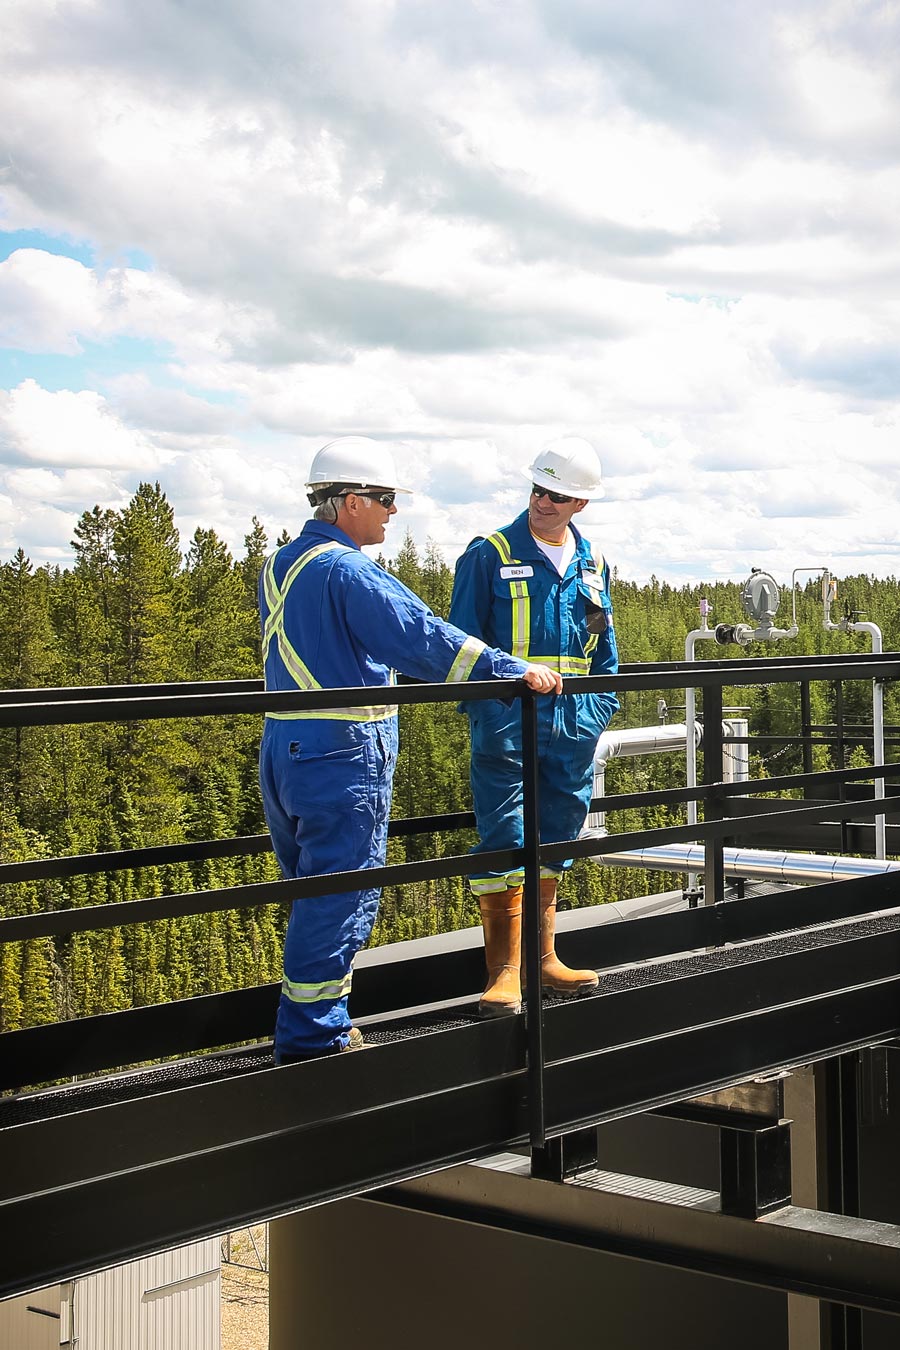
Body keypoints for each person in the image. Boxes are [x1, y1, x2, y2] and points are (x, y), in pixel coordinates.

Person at [259, 435, 562, 1063]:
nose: (393, 512)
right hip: (341, 751)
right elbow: (422, 639)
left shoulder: (282, 564)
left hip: (286, 747)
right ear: (347, 502)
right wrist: (510, 671)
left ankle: (314, 1021)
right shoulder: (347, 570)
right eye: (385, 499)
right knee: (342, 891)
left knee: (313, 890)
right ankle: (315, 1037)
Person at [448, 436, 619, 1017]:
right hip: (508, 728)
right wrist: (493, 716)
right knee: (503, 838)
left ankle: (544, 960)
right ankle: (504, 972)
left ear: (581, 505)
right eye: (538, 489)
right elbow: (461, 648)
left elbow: (604, 657)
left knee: (557, 837)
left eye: (558, 495)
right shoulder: (489, 554)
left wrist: (593, 718)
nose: (543, 502)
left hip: (571, 732)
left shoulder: (592, 563)